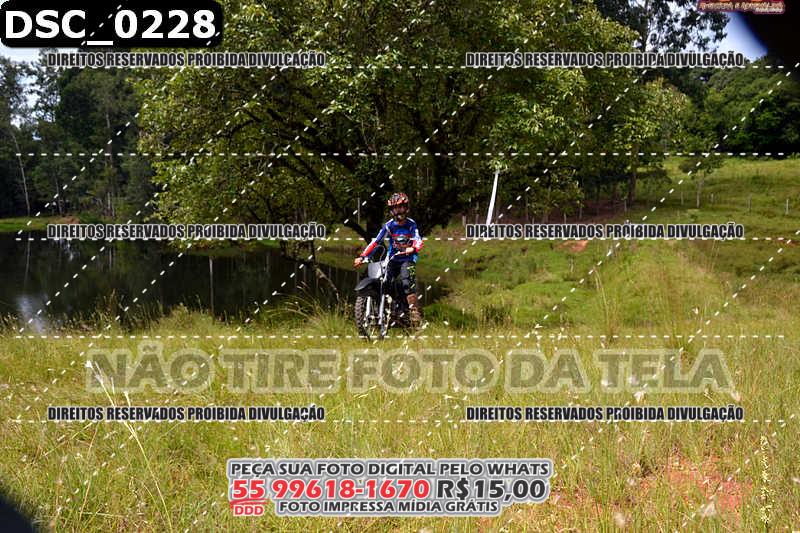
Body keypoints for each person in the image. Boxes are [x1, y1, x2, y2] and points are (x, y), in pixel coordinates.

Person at [354, 192, 423, 327]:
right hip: (392, 259)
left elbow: (418, 239)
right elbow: (376, 242)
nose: (399, 211)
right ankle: (386, 309)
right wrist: (363, 256)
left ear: (406, 208)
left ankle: (414, 313)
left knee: (407, 282)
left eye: (401, 207)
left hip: (407, 259)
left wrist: (414, 248)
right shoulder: (389, 225)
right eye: (395, 208)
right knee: (384, 282)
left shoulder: (411, 224)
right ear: (391, 210)